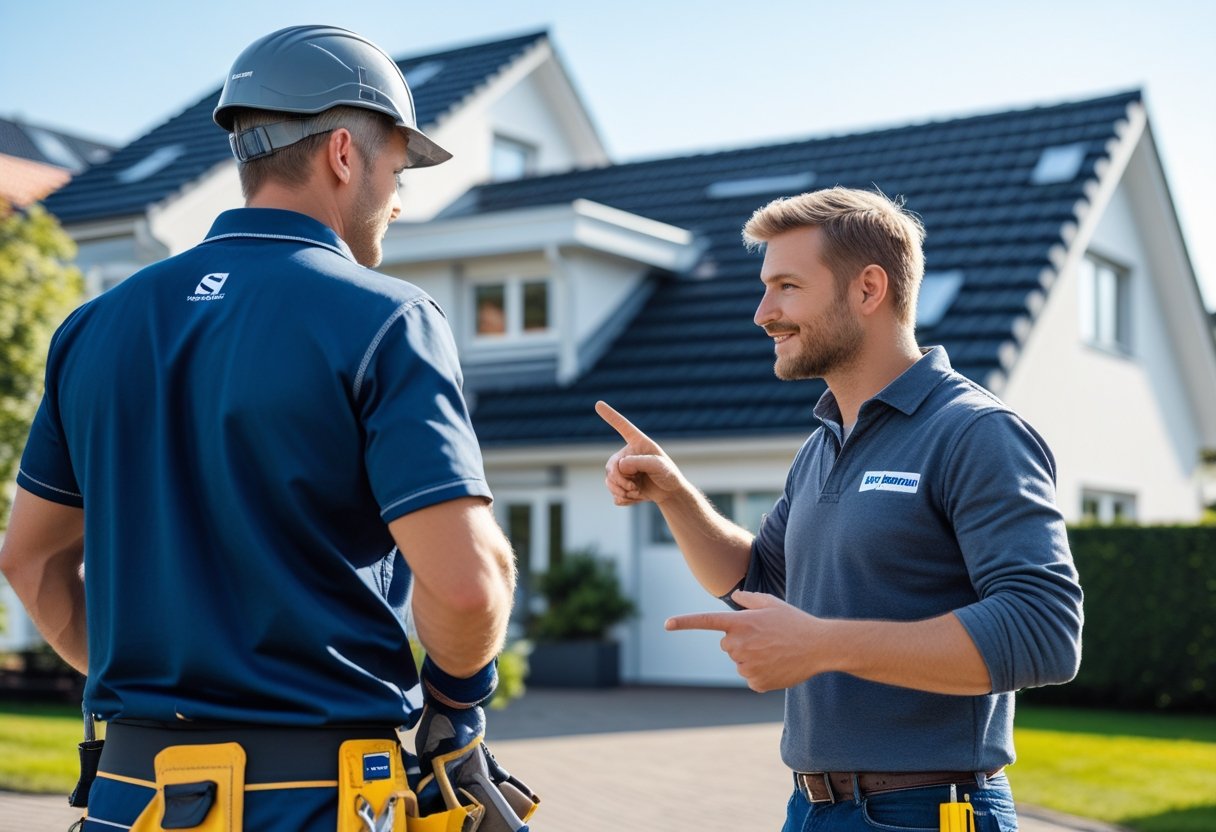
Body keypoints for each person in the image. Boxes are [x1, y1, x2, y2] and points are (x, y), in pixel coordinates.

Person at [1, 25, 537, 832]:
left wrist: (161, 684)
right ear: (345, 155)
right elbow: (466, 587)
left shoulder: (92, 327)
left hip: (128, 801)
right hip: (310, 801)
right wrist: (456, 704)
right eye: (398, 169)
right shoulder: (386, 319)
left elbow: (30, 560)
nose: (399, 197)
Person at [597, 187, 1082, 832]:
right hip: (813, 808)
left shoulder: (977, 433)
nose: (762, 313)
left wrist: (824, 645)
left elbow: (1044, 633)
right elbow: (760, 582)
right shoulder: (823, 444)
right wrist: (676, 496)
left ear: (867, 289)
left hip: (927, 813)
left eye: (787, 286)